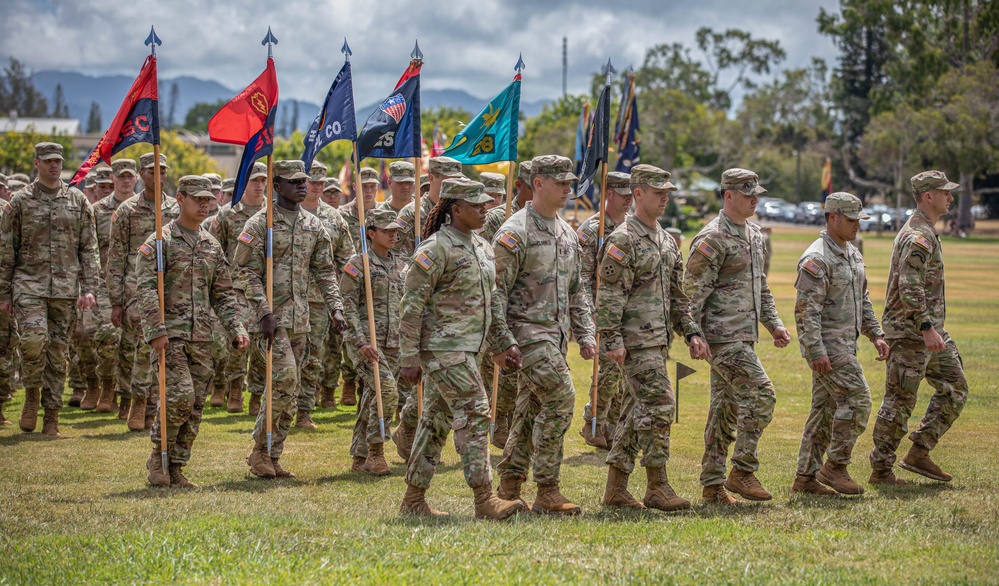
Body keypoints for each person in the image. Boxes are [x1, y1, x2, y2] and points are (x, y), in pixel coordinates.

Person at [397, 177, 525, 520]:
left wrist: (502, 343)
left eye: (486, 204)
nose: (485, 210)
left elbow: (491, 303)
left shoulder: (482, 248)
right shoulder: (435, 248)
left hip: (472, 348)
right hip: (442, 348)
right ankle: (485, 499)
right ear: (455, 209)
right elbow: (411, 306)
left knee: (435, 421)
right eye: (476, 206)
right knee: (476, 409)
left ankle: (413, 500)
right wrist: (409, 357)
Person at [598, 165, 709, 511]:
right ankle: (657, 485)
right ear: (638, 194)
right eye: (657, 192)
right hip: (634, 341)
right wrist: (611, 339)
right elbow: (609, 296)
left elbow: (678, 296)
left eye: (667, 193)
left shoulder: (665, 240)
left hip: (659, 340)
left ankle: (616, 488)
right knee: (662, 405)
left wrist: (690, 331)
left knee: (636, 411)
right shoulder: (623, 239)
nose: (664, 198)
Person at [492, 155, 596, 515]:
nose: (568, 188)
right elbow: (496, 293)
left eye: (570, 182)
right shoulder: (515, 231)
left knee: (529, 407)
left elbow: (577, 289)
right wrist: (501, 341)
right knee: (561, 396)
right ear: (537, 184)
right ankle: (547, 488)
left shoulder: (566, 232)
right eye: (560, 182)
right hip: (525, 335)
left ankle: (509, 483)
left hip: (556, 336)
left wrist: (586, 333)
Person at [684, 168, 791, 504]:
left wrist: (773, 323)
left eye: (756, 193)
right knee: (762, 395)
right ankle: (742, 471)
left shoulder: (753, 235)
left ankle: (712, 486)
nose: (754, 199)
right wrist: (693, 335)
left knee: (725, 409)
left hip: (743, 334)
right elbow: (691, 294)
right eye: (748, 194)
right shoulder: (712, 238)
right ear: (728, 196)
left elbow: (760, 286)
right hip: (721, 337)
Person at [234, 160, 346, 479]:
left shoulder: (313, 225)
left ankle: (272, 454)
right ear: (276, 185)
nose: (301, 186)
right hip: (269, 320)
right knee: (284, 378)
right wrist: (263, 308)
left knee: (291, 387)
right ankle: (260, 449)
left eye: (304, 181)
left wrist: (336, 307)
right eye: (292, 181)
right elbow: (243, 270)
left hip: (300, 319)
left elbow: (324, 270)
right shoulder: (261, 224)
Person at [135, 176, 249, 488]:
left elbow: (223, 293)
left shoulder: (211, 245)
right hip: (170, 335)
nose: (204, 204)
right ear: (179, 198)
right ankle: (157, 458)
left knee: (196, 404)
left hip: (202, 337)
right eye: (197, 199)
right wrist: (155, 329)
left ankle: (176, 466)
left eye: (208, 199)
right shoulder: (160, 241)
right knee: (179, 398)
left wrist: (235, 327)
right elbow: (145, 289)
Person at [869, 171, 969, 485]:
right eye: (945, 193)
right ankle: (881, 470)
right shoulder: (918, 236)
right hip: (913, 333)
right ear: (928, 196)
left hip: (930, 332)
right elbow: (909, 286)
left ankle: (919, 452)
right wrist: (926, 327)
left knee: (955, 387)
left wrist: (931, 328)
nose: (950, 198)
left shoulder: (925, 231)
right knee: (900, 402)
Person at [0, 142, 101, 436]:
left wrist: (89, 288)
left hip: (66, 289)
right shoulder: (19, 202)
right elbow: (6, 250)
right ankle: (32, 395)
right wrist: (5, 294)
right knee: (33, 340)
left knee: (57, 353)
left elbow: (89, 247)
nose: (54, 166)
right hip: (28, 285)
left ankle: (52, 415)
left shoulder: (77, 201)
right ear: (36, 164)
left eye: (57, 161)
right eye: (47, 161)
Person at [792, 192, 890, 496]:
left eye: (859, 220)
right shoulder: (817, 258)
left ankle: (805, 478)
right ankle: (835, 466)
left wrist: (876, 334)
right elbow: (806, 312)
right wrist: (816, 351)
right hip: (830, 349)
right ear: (832, 217)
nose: (856, 226)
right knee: (859, 401)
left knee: (823, 411)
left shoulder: (851, 252)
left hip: (847, 345)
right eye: (850, 220)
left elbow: (862, 298)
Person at [107, 155, 180, 432]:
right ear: (141, 174)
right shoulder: (127, 211)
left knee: (169, 349)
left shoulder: (175, 207)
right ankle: (138, 401)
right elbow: (115, 258)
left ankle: (156, 406)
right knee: (141, 348)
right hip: (137, 289)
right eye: (152, 171)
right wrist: (116, 301)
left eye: (162, 170)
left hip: (173, 290)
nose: (158, 175)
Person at [341, 208, 406, 474]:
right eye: (386, 231)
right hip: (367, 343)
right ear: (371, 233)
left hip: (395, 342)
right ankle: (377, 452)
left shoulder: (402, 264)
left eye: (395, 231)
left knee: (372, 396)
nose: (393, 235)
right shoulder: (359, 264)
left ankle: (359, 456)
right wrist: (359, 342)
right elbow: (346, 305)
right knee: (387, 391)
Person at [205, 161, 268, 414]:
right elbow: (212, 251)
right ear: (244, 182)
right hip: (236, 290)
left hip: (264, 290)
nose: (259, 185)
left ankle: (256, 394)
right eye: (254, 180)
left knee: (262, 346)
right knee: (236, 344)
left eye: (263, 180)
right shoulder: (227, 215)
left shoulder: (272, 213)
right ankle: (232, 389)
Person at [577, 171, 633, 449]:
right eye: (623, 196)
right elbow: (583, 277)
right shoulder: (593, 229)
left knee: (622, 374)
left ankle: (611, 425)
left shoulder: (630, 227)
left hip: (628, 311)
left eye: (631, 196)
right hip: (603, 310)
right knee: (608, 372)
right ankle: (593, 422)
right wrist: (591, 313)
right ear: (609, 194)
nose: (628, 202)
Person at [479, 160, 533, 450]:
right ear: (520, 185)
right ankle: (498, 422)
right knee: (499, 372)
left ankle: (512, 425)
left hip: (529, 309)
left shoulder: (542, 219)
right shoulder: (498, 218)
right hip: (499, 305)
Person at [298, 160, 354, 427]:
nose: (318, 186)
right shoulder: (283, 213)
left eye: (322, 182)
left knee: (313, 356)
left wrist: (343, 297)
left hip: (320, 299)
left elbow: (347, 258)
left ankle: (304, 411)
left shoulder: (334, 217)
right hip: (289, 296)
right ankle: (276, 407)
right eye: (313, 182)